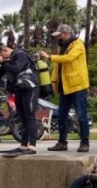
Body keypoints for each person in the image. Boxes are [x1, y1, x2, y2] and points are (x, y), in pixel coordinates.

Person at [39, 24, 91, 153]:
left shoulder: (77, 44)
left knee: (81, 115)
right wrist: (53, 81)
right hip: (65, 86)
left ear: (66, 33)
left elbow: (69, 58)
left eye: (59, 35)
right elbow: (57, 66)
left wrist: (49, 57)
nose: (58, 38)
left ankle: (85, 143)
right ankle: (62, 142)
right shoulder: (61, 46)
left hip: (78, 85)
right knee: (61, 115)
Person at [0, 42, 39, 155]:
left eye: (0, 55)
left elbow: (17, 69)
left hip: (30, 89)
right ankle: (23, 145)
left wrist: (2, 61)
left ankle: (32, 146)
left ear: (4, 50)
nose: (1, 58)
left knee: (30, 117)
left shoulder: (20, 54)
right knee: (22, 118)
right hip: (19, 90)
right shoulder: (8, 61)